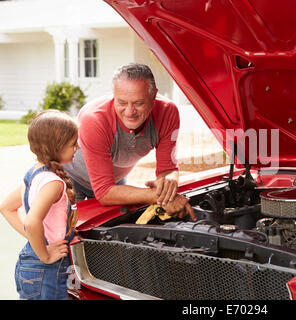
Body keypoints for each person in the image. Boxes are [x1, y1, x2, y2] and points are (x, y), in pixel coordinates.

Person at [63, 63, 195, 220]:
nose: (130, 111)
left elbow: (167, 169)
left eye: (139, 103)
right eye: (122, 102)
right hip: (70, 177)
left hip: (113, 182)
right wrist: (157, 196)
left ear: (154, 96)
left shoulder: (167, 112)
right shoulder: (94, 119)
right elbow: (104, 192)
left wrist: (167, 186)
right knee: (64, 236)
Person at [0, 110, 79, 300]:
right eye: (73, 144)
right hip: (46, 269)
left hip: (30, 263)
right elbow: (33, 221)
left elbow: (6, 207)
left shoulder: (35, 174)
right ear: (57, 147)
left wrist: (35, 239)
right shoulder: (52, 183)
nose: (77, 147)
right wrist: (45, 254)